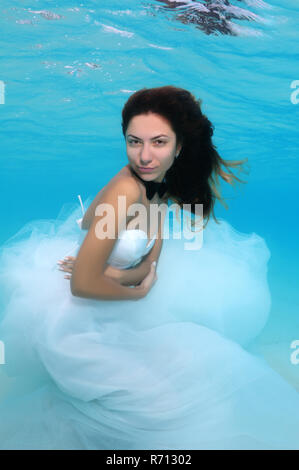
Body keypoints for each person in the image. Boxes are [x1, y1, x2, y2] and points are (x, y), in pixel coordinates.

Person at [0, 85, 299, 450]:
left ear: (179, 146)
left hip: (112, 313)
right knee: (176, 410)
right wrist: (132, 284)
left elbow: (144, 254)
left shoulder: (153, 184)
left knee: (205, 378)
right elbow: (83, 283)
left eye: (158, 142)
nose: (143, 155)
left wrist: (112, 269)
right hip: (80, 329)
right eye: (133, 141)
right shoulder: (127, 189)